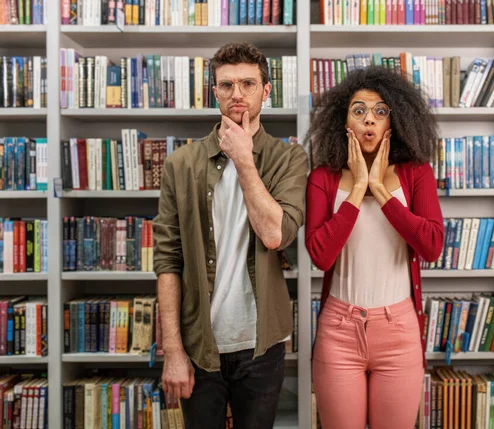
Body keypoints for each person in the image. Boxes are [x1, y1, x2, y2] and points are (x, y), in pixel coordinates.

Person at [153, 42, 308, 429]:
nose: (237, 94)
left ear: (266, 90)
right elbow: (168, 261)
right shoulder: (180, 164)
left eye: (248, 84)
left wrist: (243, 158)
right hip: (198, 345)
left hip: (262, 346)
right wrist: (172, 349)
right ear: (214, 91)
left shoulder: (290, 159)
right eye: (226, 85)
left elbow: (276, 234)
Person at [305, 66, 445, 429]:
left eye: (381, 111)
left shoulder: (417, 173)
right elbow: (321, 255)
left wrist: (381, 191)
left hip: (398, 329)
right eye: (359, 110)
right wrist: (356, 190)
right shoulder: (323, 178)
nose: (370, 120)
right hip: (338, 330)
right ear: (344, 121)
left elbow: (431, 246)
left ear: (394, 121)